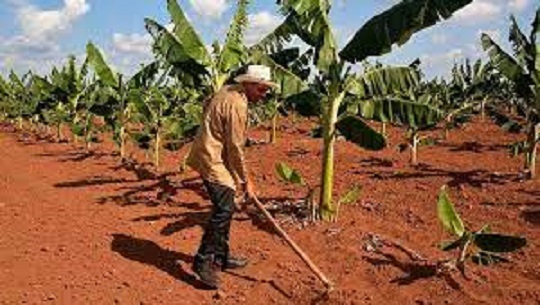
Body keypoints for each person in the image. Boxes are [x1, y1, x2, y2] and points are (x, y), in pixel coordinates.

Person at [186, 65, 277, 289]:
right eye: (262, 90)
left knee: (226, 206)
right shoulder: (236, 104)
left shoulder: (228, 90)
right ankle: (203, 261)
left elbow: (207, 106)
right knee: (224, 209)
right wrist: (246, 181)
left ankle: (221, 257)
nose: (264, 95)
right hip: (212, 158)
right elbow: (236, 147)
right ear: (249, 84)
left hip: (211, 153)